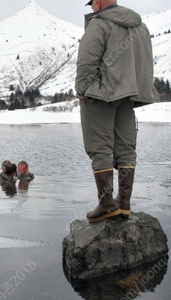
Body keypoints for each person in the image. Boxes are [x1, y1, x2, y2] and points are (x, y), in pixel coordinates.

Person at [75, 0, 160, 222]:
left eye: (92, 3)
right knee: (126, 147)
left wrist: (83, 89)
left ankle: (106, 203)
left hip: (101, 95)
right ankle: (124, 203)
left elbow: (86, 60)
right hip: (128, 95)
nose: (91, 8)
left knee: (99, 147)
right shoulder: (139, 26)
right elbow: (145, 63)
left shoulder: (99, 24)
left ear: (100, 1)